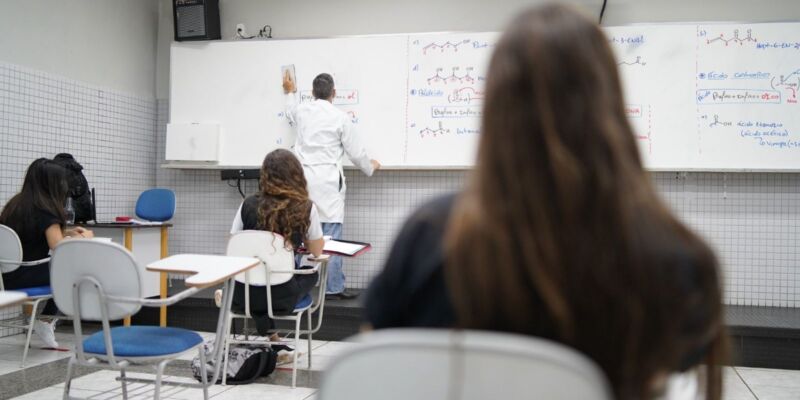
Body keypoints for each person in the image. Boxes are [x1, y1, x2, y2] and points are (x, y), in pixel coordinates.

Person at [365, 4, 726, 400]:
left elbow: (374, 364)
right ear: (609, 104)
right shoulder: (678, 260)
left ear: (496, 109)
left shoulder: (431, 237)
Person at [283, 72, 380, 300]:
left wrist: (289, 92)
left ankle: (293, 284)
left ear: (312, 92)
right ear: (334, 93)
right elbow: (356, 152)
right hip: (328, 182)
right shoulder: (340, 118)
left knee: (300, 233)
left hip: (304, 182)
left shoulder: (302, 111)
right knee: (332, 238)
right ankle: (333, 287)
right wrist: (370, 167)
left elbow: (289, 111)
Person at [229, 149, 324, 351]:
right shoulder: (306, 207)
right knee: (311, 272)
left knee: (261, 279)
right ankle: (276, 343)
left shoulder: (247, 204)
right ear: (296, 175)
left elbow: (233, 244)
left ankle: (275, 341)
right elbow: (317, 251)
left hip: (243, 294)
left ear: (265, 175)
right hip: (281, 298)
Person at [0, 158, 94, 348]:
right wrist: (85, 236)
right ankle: (46, 320)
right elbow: (57, 245)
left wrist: (67, 232)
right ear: (52, 184)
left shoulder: (14, 205)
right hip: (29, 277)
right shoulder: (46, 210)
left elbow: (30, 235)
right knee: (76, 273)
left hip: (7, 277)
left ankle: (44, 321)